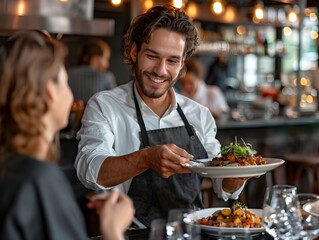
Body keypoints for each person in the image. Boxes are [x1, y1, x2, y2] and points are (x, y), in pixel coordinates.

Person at [75, 5, 248, 227]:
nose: (161, 70)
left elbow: (221, 183)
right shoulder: (106, 105)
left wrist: (239, 174)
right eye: (152, 56)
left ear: (183, 63)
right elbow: (90, 170)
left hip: (190, 231)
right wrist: (146, 158)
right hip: (131, 232)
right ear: (134, 51)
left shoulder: (199, 115)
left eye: (172, 61)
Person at [0, 30, 134, 240]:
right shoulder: (41, 180)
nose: (70, 94)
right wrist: (113, 229)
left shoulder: (9, 167)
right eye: (64, 82)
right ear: (49, 91)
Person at [68, 38, 117, 102]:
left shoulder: (68, 73)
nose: (107, 64)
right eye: (105, 58)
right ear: (95, 59)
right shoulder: (106, 77)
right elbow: (114, 101)